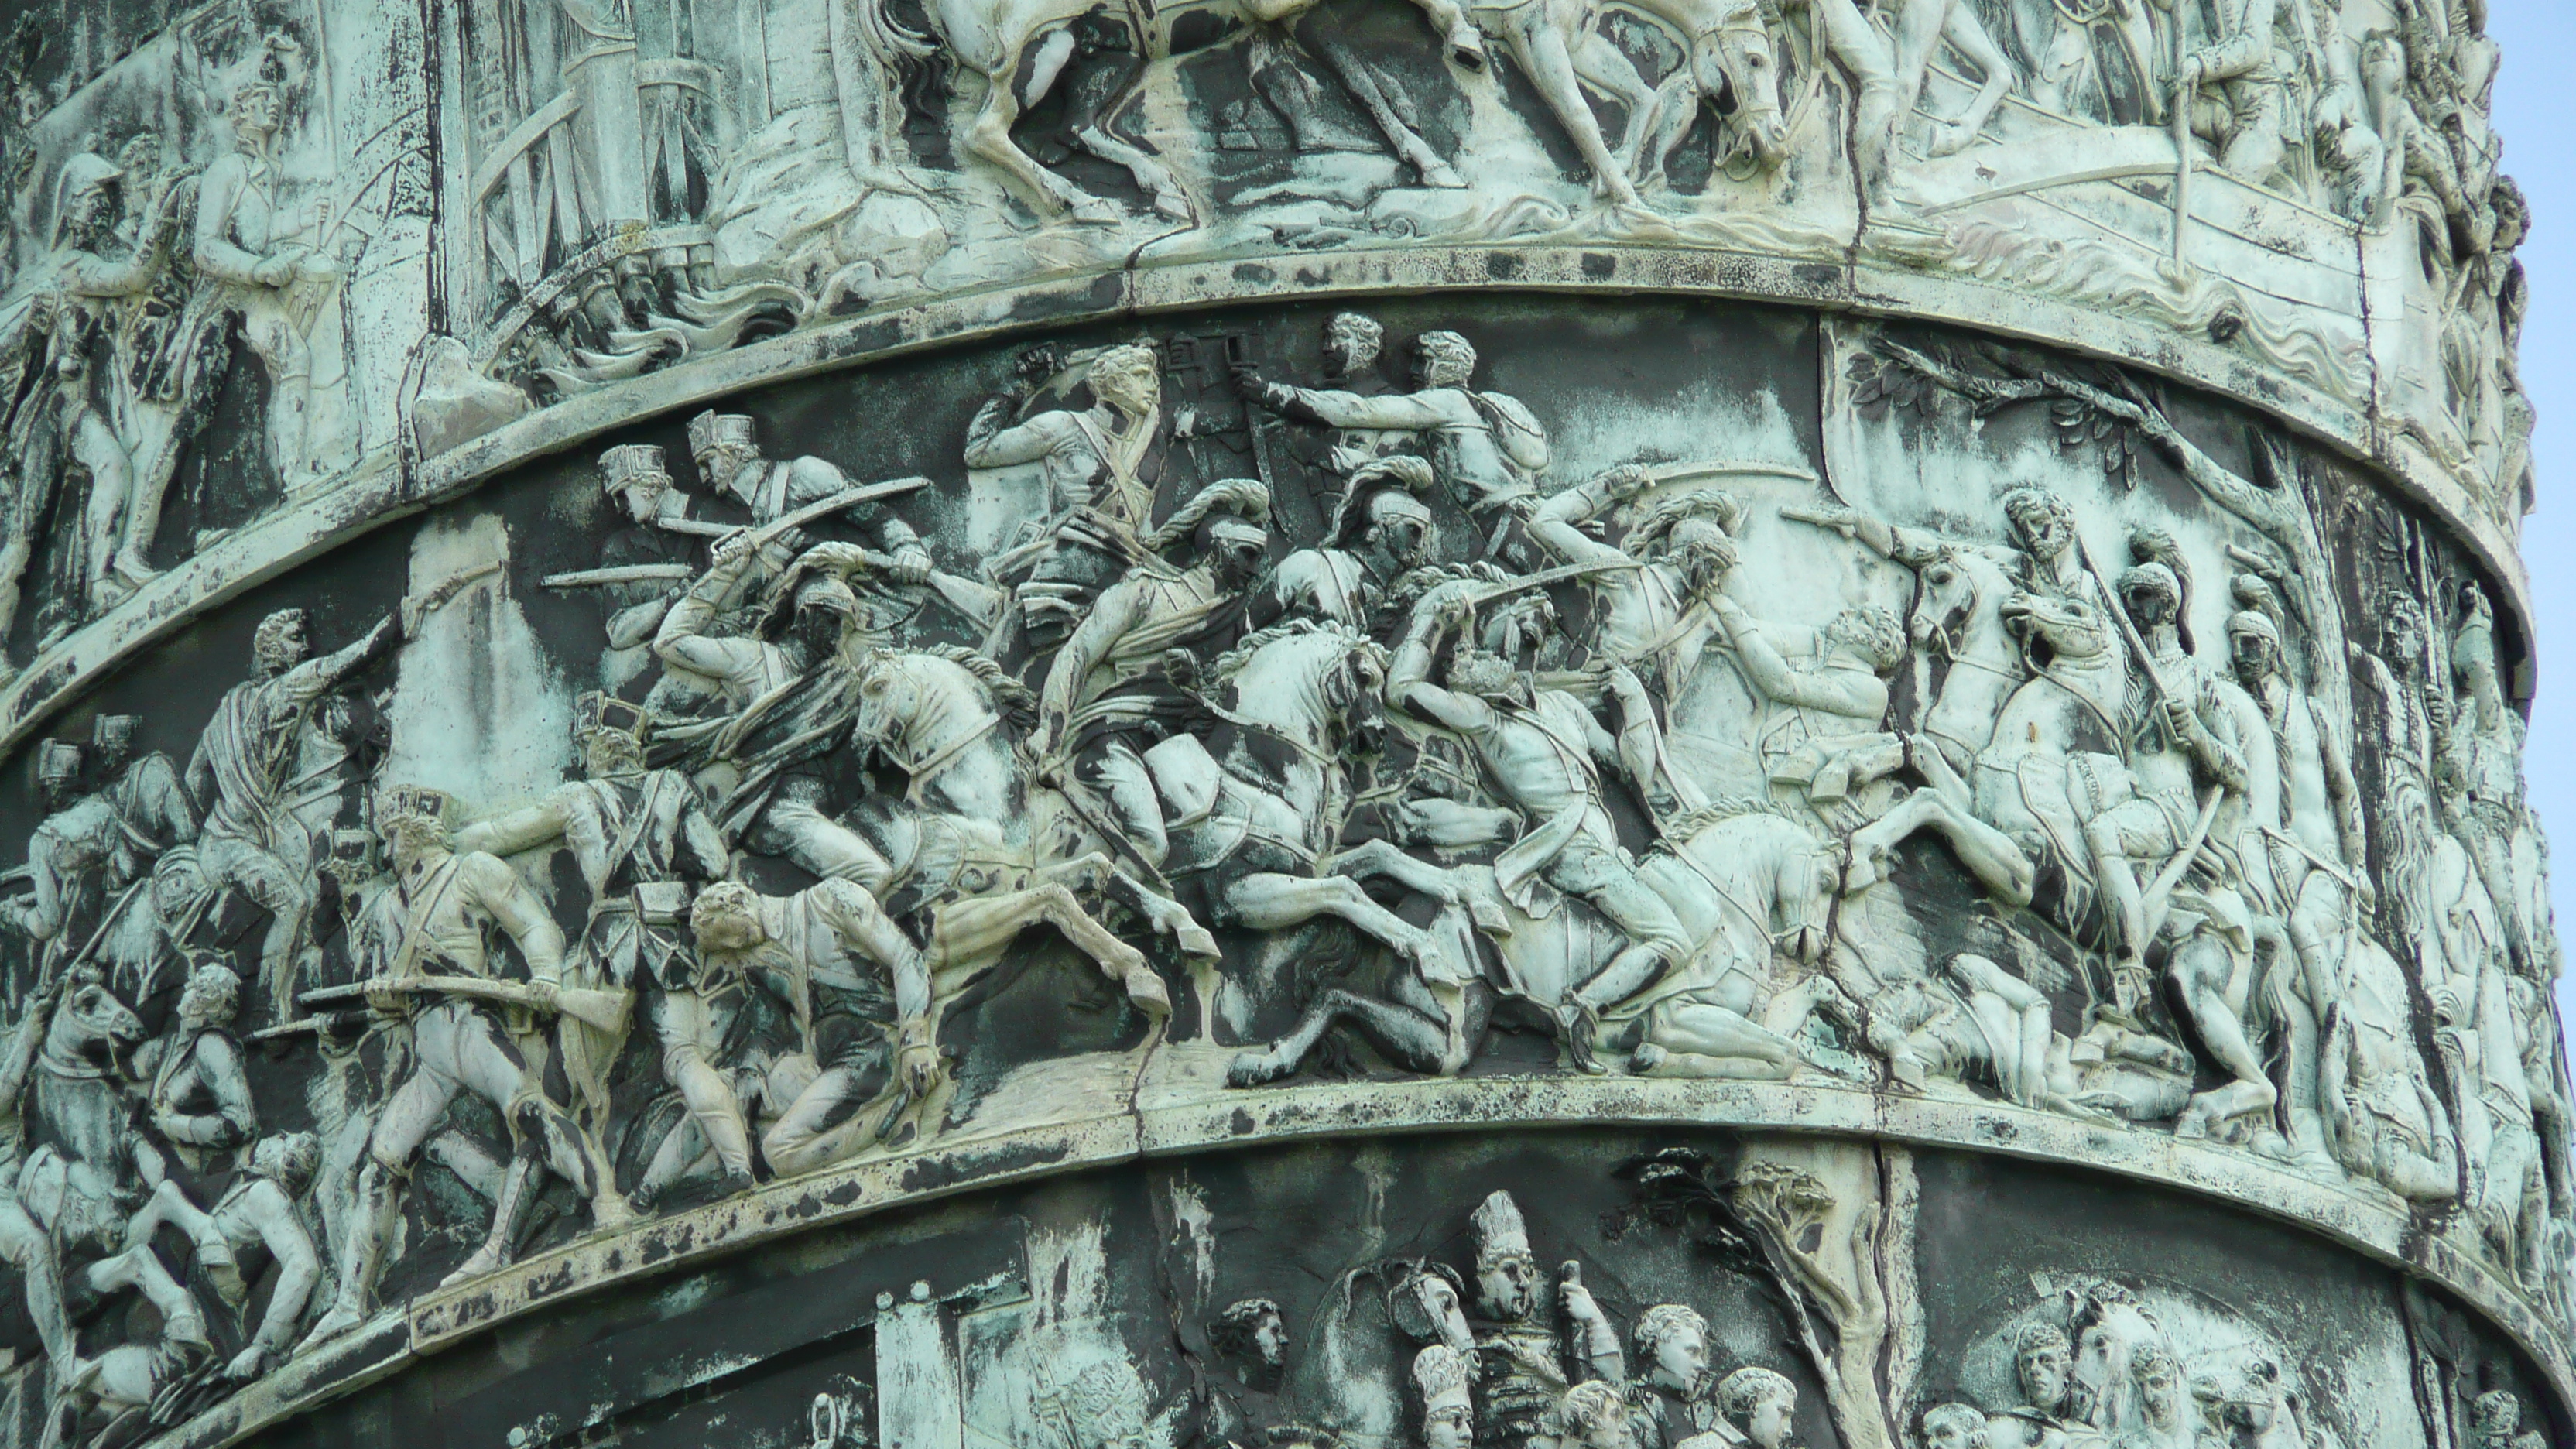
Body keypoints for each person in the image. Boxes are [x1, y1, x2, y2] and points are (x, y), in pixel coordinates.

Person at [298, 786, 603, 1349]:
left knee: (531, 1114)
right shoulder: (392, 904)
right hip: (430, 1045)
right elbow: (390, 997)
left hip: (471, 1023)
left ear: (415, 832)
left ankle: (601, 1199)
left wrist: (546, 977)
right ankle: (349, 1304)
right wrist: (384, 992)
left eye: (392, 836)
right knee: (380, 1165)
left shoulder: (471, 870)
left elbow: (534, 925)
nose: (387, 850)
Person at [1389, 587, 1687, 1070]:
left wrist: (1632, 700)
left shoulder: (1563, 708)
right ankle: (1582, 1010)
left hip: (1606, 847)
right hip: (1567, 849)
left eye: (1544, 627)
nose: (1536, 633)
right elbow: (1401, 690)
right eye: (1523, 622)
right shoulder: (1484, 717)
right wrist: (1430, 617)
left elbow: (1634, 770)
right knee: (1672, 939)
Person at [456, 696, 731, 1197]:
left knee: (561, 1090)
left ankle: (543, 1204)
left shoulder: (576, 797)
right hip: (672, 943)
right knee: (686, 1060)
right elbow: (714, 861)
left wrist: (452, 841)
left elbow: (499, 834)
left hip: (610, 949)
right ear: (634, 748)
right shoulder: (672, 787)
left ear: (594, 751)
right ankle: (742, 1169)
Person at [188, 608, 398, 1022]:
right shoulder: (284, 691)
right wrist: (403, 617)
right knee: (294, 902)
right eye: (293, 640)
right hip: (236, 842)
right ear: (270, 652)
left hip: (230, 833)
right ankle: (269, 1005)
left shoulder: (227, 707)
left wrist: (223, 810)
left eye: (304, 639)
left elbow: (195, 776)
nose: (304, 647)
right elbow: (354, 656)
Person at [687, 879, 940, 1177]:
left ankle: (897, 1117)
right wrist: (751, 1070)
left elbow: (905, 956)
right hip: (824, 1059)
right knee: (723, 1106)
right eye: (722, 944)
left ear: (738, 901)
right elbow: (771, 1027)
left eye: (725, 932)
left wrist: (915, 1042)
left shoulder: (831, 899)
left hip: (877, 1048)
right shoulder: (755, 961)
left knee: (779, 1152)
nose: (730, 945)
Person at [1243, 331, 1547, 518]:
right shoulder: (1478, 407)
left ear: (1445, 365)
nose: (1413, 372)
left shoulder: (1448, 402)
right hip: (1517, 512)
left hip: (1498, 519)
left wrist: (1270, 393)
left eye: (1422, 361)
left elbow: (1358, 410)